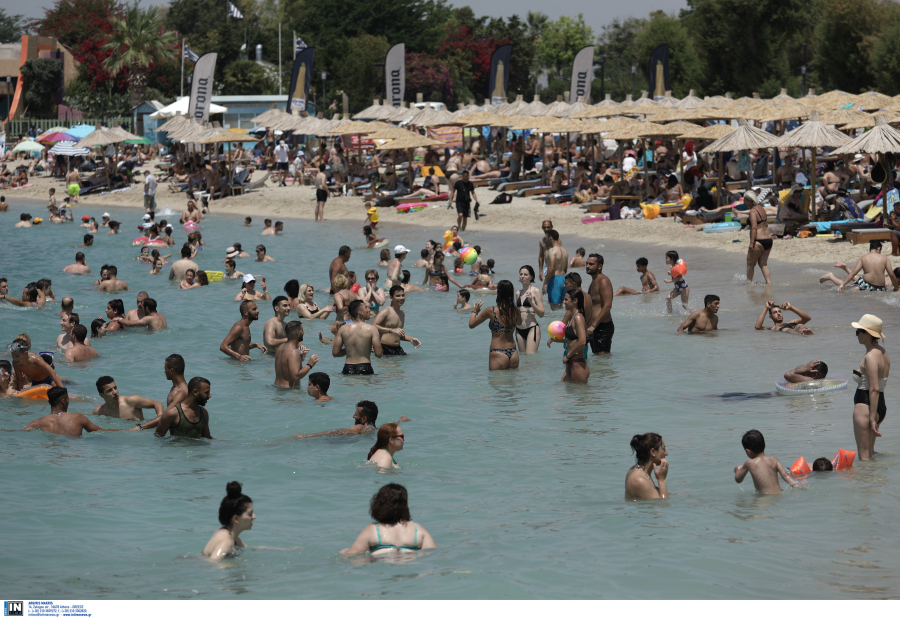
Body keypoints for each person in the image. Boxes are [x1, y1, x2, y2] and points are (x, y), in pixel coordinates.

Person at [341, 483, 436, 555]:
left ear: (379, 504)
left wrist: (345, 553)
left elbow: (353, 556)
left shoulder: (373, 529)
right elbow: (433, 554)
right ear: (405, 505)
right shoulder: (417, 529)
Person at [851, 314, 889, 460]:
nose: (856, 335)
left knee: (864, 457)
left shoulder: (871, 356)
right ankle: (876, 481)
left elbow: (873, 388)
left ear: (866, 333)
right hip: (879, 405)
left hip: (866, 406)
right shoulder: (883, 353)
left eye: (857, 332)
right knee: (871, 454)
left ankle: (867, 482)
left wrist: (872, 418)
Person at [24, 387, 125, 436]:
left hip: (52, 456)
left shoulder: (39, 422)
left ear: (49, 402)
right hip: (73, 454)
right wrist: (130, 430)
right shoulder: (78, 418)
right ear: (63, 402)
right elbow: (102, 431)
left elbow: (20, 433)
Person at [468, 281, 522, 370]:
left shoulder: (491, 310)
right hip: (513, 352)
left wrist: (474, 311)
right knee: (512, 382)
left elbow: (471, 324)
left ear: (499, 293)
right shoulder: (516, 310)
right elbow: (519, 323)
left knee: (496, 383)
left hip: (498, 352)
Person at [140, 376, 212, 438]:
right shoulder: (172, 413)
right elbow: (158, 439)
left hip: (198, 452)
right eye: (206, 392)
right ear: (195, 392)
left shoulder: (204, 413)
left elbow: (207, 438)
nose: (210, 396)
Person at [734, 429, 797, 495]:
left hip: (765, 499)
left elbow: (738, 479)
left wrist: (737, 469)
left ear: (748, 451)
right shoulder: (774, 460)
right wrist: (795, 485)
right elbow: (785, 475)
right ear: (764, 444)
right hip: (780, 495)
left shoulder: (749, 463)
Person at [203, 481, 255, 560]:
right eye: (250, 514)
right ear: (236, 519)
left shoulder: (232, 536)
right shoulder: (226, 541)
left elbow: (249, 549)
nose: (254, 517)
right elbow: (212, 564)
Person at [295, 401, 405, 438]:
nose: (353, 416)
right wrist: (399, 421)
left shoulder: (360, 427)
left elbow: (346, 431)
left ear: (364, 419)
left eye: (356, 414)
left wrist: (307, 436)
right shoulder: (375, 429)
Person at [547, 289, 590, 383]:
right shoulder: (573, 318)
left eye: (566, 299)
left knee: (578, 394)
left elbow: (582, 342)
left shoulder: (578, 318)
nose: (563, 302)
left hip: (578, 365)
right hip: (571, 364)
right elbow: (573, 340)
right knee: (560, 389)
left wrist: (568, 356)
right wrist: (556, 340)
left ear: (575, 301)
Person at [332, 300, 383, 374]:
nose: (369, 309)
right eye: (366, 308)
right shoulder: (372, 329)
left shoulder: (343, 329)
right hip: (365, 367)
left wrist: (349, 350)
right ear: (360, 312)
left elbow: (335, 353)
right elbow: (379, 354)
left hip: (348, 368)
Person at [372, 286, 422, 356]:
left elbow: (398, 334)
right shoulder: (386, 311)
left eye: (403, 295)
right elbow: (372, 326)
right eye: (398, 296)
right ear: (391, 298)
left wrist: (411, 339)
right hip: (384, 348)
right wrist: (391, 330)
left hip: (397, 348)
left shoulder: (402, 313)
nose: (401, 298)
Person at [832, 241, 899, 292]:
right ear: (879, 248)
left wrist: (842, 284)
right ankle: (831, 277)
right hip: (881, 287)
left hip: (866, 284)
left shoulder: (863, 258)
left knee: (848, 287)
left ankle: (835, 280)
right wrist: (896, 287)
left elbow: (854, 272)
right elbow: (891, 274)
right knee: (851, 287)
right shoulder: (885, 258)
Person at [91, 375, 163, 422]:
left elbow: (157, 404)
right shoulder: (99, 411)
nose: (115, 392)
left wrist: (160, 419)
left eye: (115, 388)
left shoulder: (131, 401)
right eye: (109, 390)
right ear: (102, 395)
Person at [584, 254, 614, 355]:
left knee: (603, 359)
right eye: (587, 263)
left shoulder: (603, 281)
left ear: (600, 266)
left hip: (602, 327)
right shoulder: (594, 281)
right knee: (598, 362)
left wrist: (593, 325)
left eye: (591, 264)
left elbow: (607, 306)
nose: (587, 266)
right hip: (594, 328)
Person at [625, 433, 669, 500]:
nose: (666, 453)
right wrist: (662, 480)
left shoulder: (634, 469)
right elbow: (663, 505)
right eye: (663, 449)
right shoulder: (639, 480)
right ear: (653, 452)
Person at [274, 321, 318, 388]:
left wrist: (299, 359)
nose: (303, 332)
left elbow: (285, 366)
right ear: (297, 334)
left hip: (277, 388)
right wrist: (310, 364)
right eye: (302, 330)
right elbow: (296, 376)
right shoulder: (293, 351)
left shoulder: (280, 347)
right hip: (288, 392)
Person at [514, 266, 545, 354]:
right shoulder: (518, 293)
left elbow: (541, 314)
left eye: (525, 274)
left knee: (531, 358)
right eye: (521, 274)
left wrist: (532, 303)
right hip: (519, 330)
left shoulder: (535, 291)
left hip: (532, 328)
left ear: (531, 277)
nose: (522, 276)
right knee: (523, 360)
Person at [745, 191, 773, 285]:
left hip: (758, 241)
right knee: (763, 264)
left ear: (749, 200)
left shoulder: (752, 211)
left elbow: (754, 228)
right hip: (768, 240)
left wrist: (751, 243)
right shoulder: (761, 208)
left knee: (750, 264)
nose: (744, 202)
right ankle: (769, 284)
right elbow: (766, 224)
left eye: (745, 200)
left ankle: (748, 285)